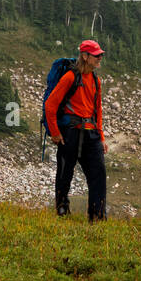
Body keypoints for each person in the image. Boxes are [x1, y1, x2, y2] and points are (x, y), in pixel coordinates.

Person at [45, 40, 107, 221]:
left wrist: (101, 137)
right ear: (85, 56)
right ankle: (62, 210)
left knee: (98, 174)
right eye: (96, 55)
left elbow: (98, 110)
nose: (100, 58)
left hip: (91, 133)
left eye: (100, 54)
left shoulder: (96, 80)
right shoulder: (70, 77)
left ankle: (97, 216)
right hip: (70, 133)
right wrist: (55, 132)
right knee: (65, 173)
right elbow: (50, 105)